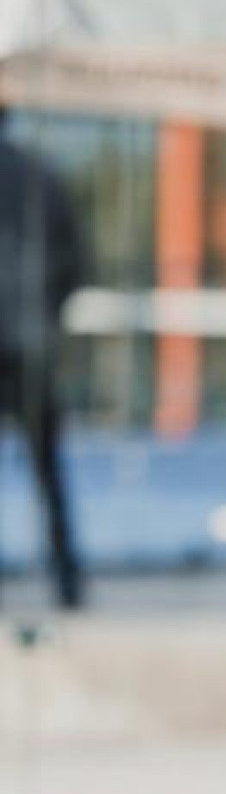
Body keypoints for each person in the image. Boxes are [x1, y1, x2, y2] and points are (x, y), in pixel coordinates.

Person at [0, 105, 87, 610]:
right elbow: (76, 261)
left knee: (48, 467)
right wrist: (46, 314)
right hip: (32, 340)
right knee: (48, 469)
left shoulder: (40, 179)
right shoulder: (41, 177)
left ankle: (66, 575)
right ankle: (66, 578)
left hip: (27, 338)